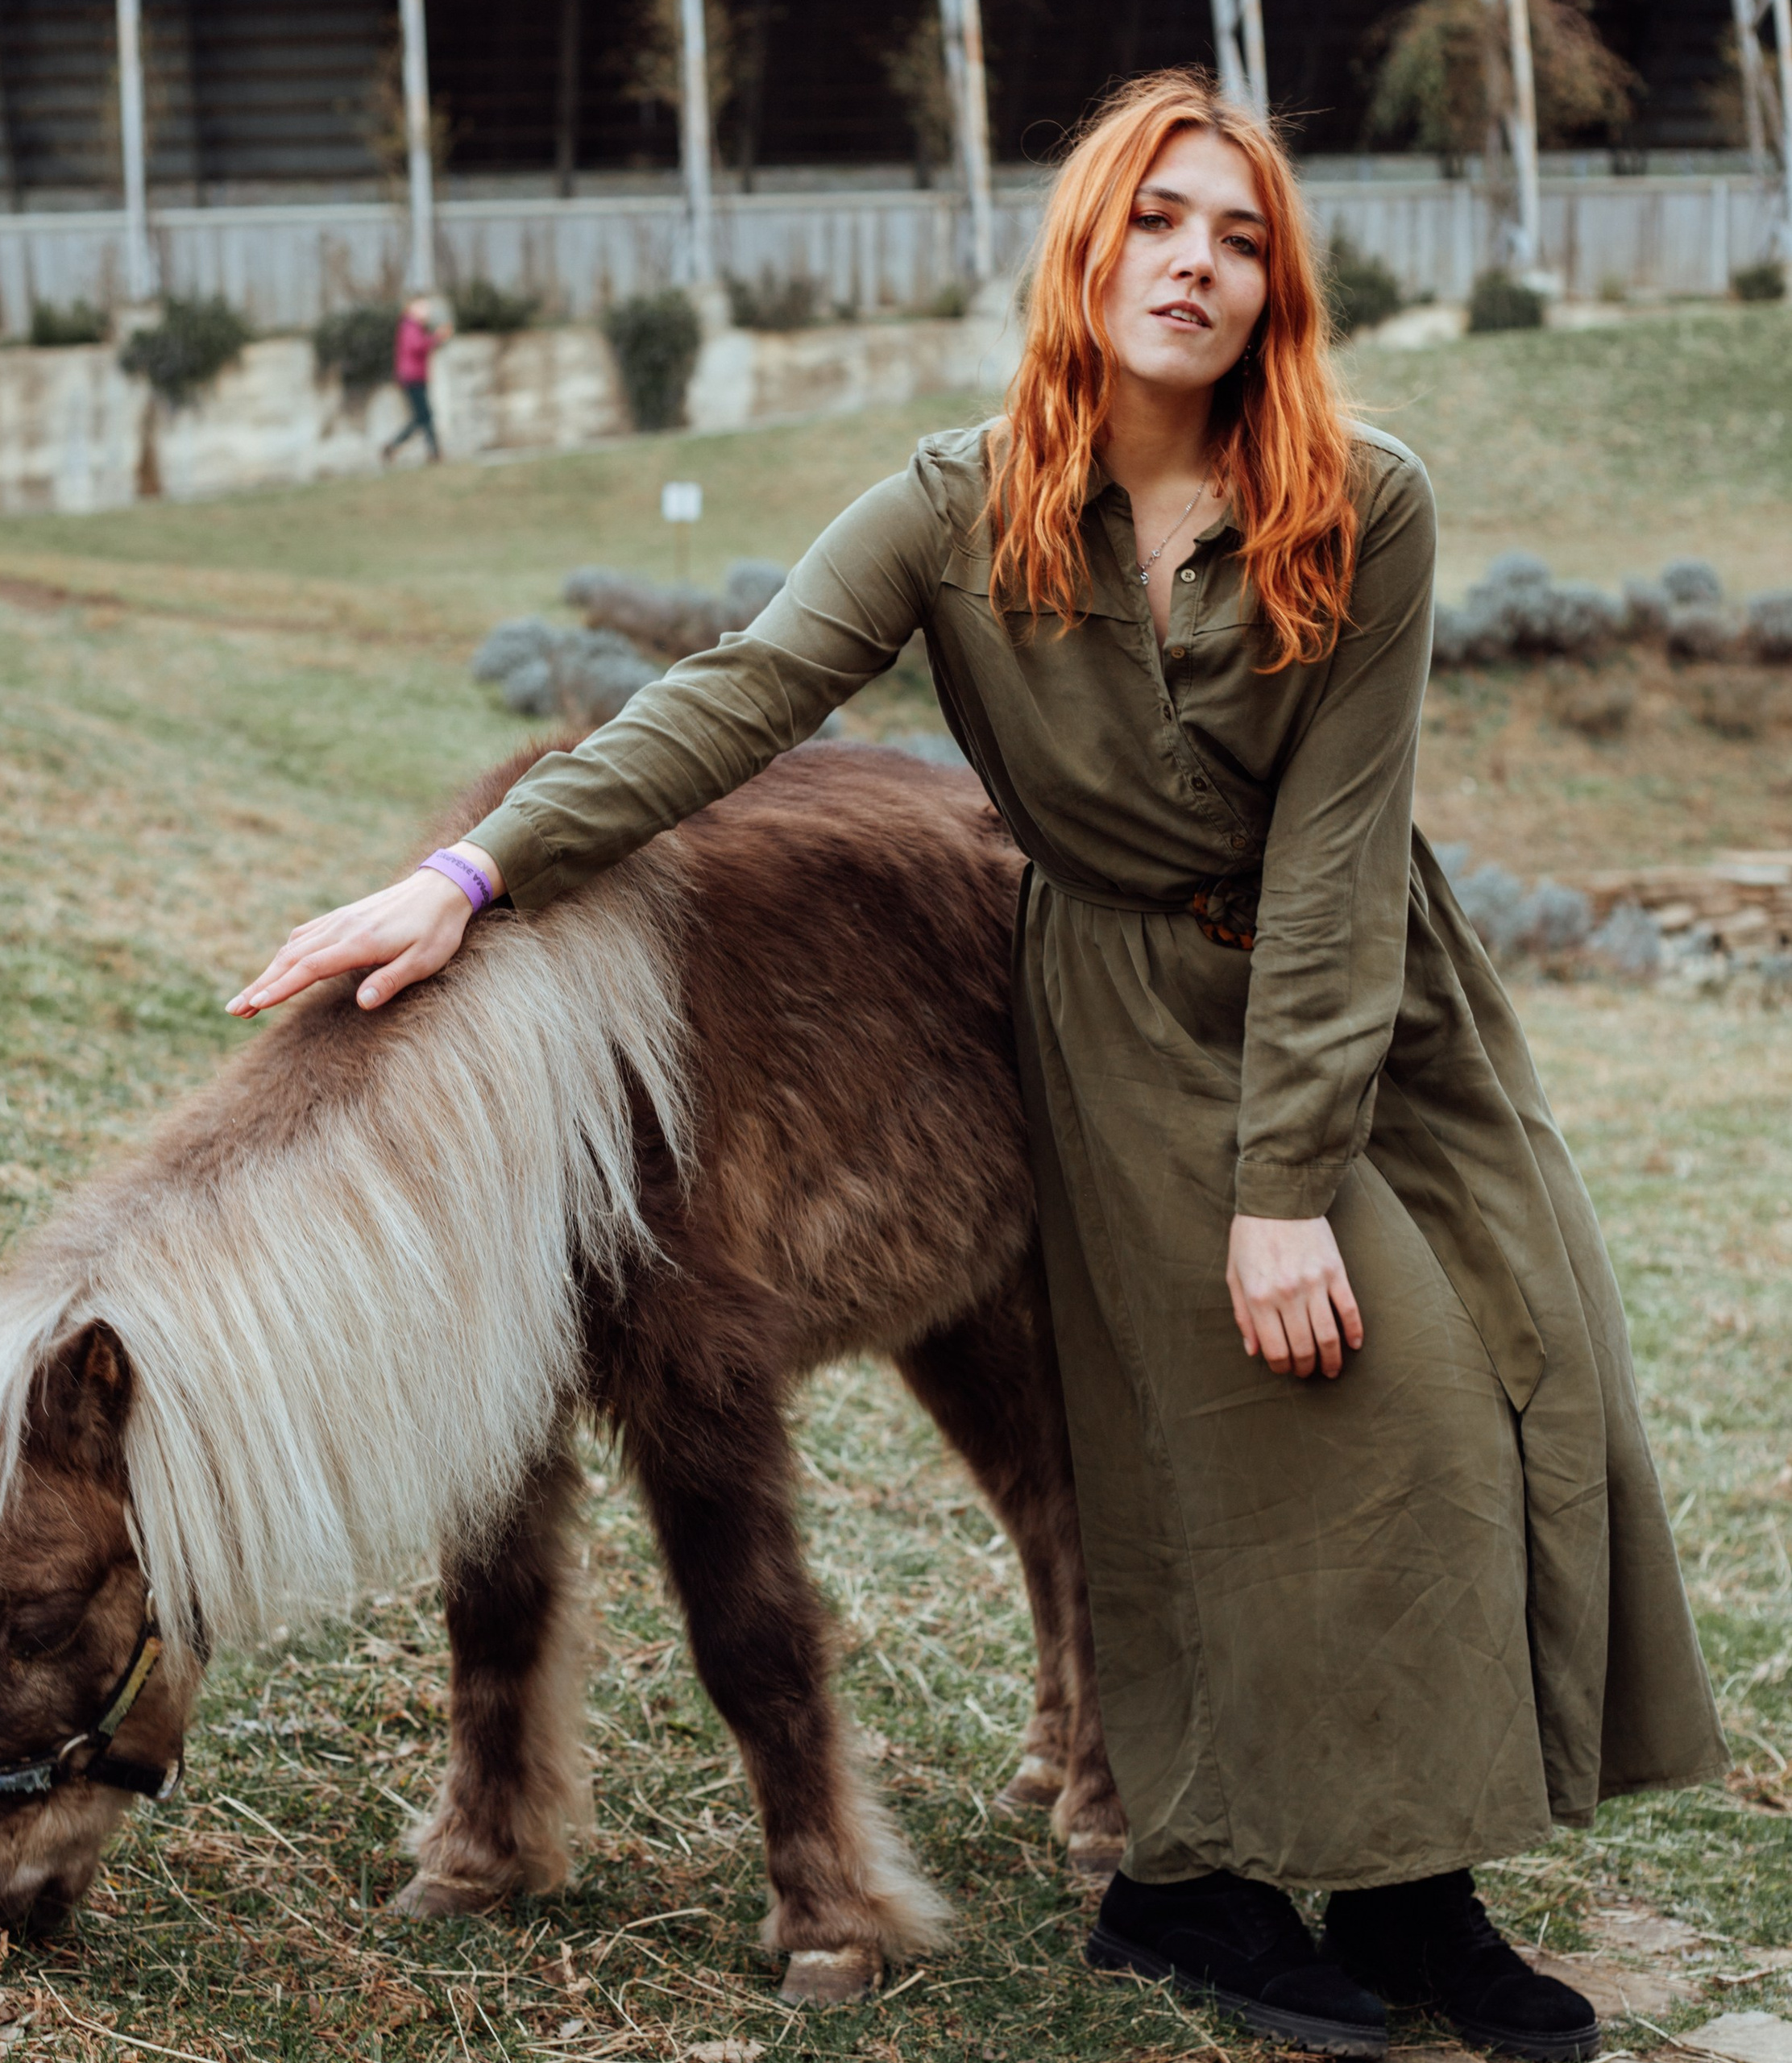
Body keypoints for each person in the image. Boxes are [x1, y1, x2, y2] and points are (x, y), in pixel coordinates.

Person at [231, 73, 1724, 2062]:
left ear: (1277, 288)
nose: (1191, 265)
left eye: (1238, 237)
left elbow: (1337, 854)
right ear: (1084, 251)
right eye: (1155, 222)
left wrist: (1287, 1185)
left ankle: (1404, 1895)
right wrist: (469, 869)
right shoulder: (956, 505)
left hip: (1349, 990)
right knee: (1245, 1427)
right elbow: (739, 693)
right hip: (1106, 1014)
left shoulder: (1362, 498)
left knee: (1454, 1394)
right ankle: (1203, 1884)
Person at [382, 293, 451, 463]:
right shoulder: (409, 326)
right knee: (424, 417)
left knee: (423, 417)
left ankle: (431, 452)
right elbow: (418, 346)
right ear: (412, 308)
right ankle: (429, 452)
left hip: (416, 376)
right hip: (412, 377)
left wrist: (436, 339)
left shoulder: (413, 326)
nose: (427, 311)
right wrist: (437, 337)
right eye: (423, 307)